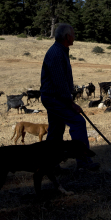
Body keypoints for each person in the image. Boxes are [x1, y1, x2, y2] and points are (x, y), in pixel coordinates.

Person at [40, 23, 100, 171]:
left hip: (53, 98)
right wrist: (71, 103)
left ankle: (51, 165)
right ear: (67, 37)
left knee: (55, 129)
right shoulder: (56, 54)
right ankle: (84, 162)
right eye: (73, 34)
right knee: (78, 122)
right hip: (54, 99)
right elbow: (60, 83)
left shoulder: (60, 50)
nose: (74, 37)